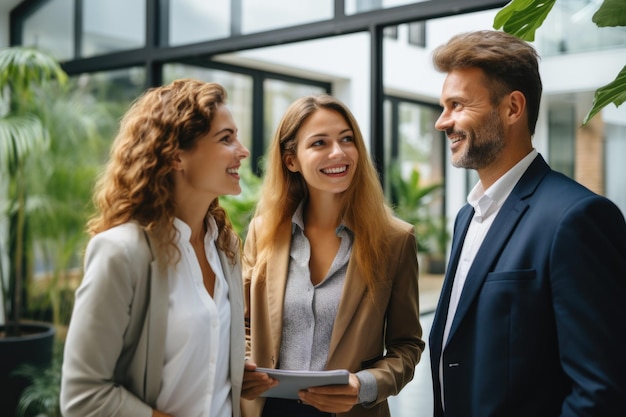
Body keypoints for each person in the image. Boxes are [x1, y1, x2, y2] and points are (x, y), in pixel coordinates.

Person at [428, 30, 626, 417]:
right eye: (443, 106)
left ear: (513, 108)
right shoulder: (466, 217)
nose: (441, 122)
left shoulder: (577, 218)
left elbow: (600, 390)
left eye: (457, 105)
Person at [60, 78, 250, 417]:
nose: (242, 150)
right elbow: (83, 396)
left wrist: (234, 373)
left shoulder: (226, 247)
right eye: (226, 138)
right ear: (177, 156)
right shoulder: (121, 252)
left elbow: (201, 365)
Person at [240, 94, 425, 417]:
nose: (338, 152)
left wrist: (363, 385)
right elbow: (243, 324)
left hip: (351, 412)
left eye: (346, 139)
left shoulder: (395, 240)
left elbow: (406, 346)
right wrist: (245, 368)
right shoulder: (263, 232)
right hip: (269, 410)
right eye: (319, 143)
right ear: (291, 160)